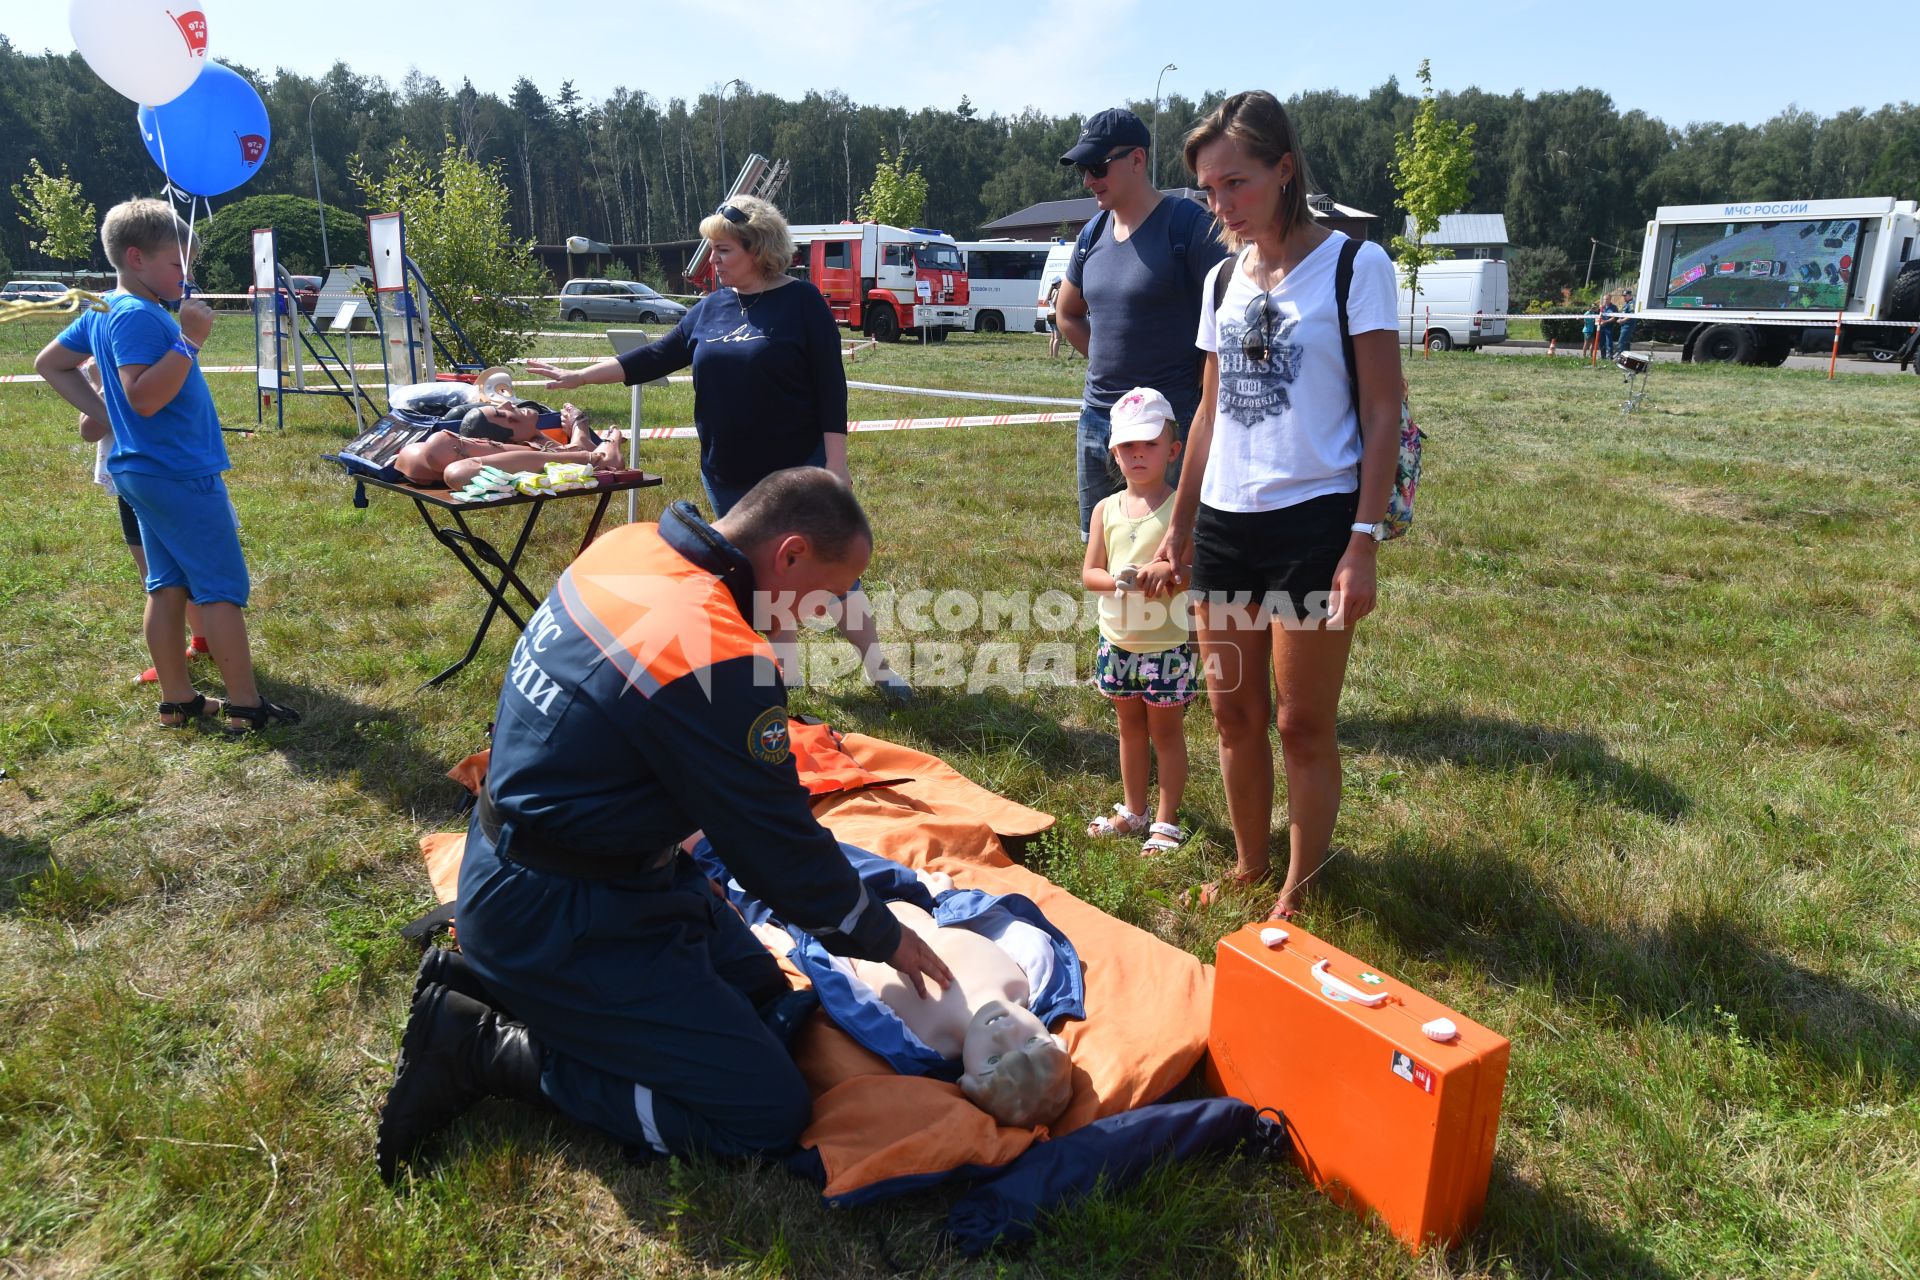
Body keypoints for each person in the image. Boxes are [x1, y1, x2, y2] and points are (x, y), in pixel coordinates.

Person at [375, 468, 954, 1183]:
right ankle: (484, 1046)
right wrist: (883, 933)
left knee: (772, 999)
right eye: (830, 596)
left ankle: (521, 985)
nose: (825, 616)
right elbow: (778, 851)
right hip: (560, 912)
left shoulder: (629, 544)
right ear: (792, 554)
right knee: (763, 1113)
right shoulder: (722, 657)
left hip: (539, 863)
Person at [1152, 91, 1402, 923]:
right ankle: (1253, 865)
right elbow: (1209, 411)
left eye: (1237, 183)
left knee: (1300, 722)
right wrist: (1177, 529)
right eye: (1209, 190)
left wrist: (1361, 541)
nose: (1221, 204)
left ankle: (1302, 885)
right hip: (1225, 524)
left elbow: (1381, 411)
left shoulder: (1353, 267)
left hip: (1315, 522)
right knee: (1232, 712)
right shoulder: (1221, 276)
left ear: (1284, 169)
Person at [525, 195, 911, 701]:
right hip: (726, 472)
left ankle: (881, 671)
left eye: (723, 250)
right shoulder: (710, 307)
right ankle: (785, 676)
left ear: (758, 249)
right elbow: (656, 356)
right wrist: (578, 376)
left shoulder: (802, 302)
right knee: (762, 580)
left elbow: (829, 386)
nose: (713, 262)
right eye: (712, 250)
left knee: (830, 575)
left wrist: (836, 464)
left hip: (795, 475)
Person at [34, 199, 298, 733]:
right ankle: (245, 705)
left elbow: (50, 364)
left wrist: (106, 414)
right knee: (220, 588)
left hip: (145, 470)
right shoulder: (135, 315)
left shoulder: (108, 308)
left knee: (166, 584)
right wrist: (190, 340)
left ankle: (178, 701)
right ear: (136, 258)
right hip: (176, 471)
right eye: (179, 265)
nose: (188, 276)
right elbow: (146, 398)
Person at [692, 837, 1080, 1129]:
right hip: (895, 888)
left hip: (828, 926)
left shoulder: (927, 1043)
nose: (1003, 1032)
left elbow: (853, 998)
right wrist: (943, 897)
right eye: (1030, 1042)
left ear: (967, 1081)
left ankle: (686, 834)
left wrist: (796, 951)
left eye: (994, 1061)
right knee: (804, 845)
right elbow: (997, 924)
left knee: (741, 869)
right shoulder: (1031, 978)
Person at [1053, 107, 1227, 539]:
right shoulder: (1091, 234)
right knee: (1104, 552)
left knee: (1172, 555)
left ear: (1137, 160)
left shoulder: (1188, 225)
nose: (1088, 181)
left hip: (1167, 424)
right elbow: (1067, 313)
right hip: (1099, 422)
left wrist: (1203, 385)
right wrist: (1111, 360)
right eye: (1082, 170)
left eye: (1096, 167)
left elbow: (1235, 313)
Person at [1080, 387, 1197, 856]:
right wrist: (1119, 582)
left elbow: (1191, 574)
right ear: (1113, 452)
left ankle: (1166, 821)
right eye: (1128, 446)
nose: (1138, 454)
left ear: (1173, 450)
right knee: (1128, 728)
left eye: (1149, 444)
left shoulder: (1179, 513)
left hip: (1164, 646)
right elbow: (1089, 574)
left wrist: (1168, 570)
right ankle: (1134, 810)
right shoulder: (1106, 509)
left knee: (1165, 735)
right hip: (1118, 641)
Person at [74, 354, 210, 683]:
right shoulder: (103, 365)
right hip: (130, 485)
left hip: (167, 478)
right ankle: (190, 647)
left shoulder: (162, 359)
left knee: (184, 572)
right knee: (154, 574)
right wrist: (102, 383)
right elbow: (89, 430)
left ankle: (203, 643)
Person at [393, 402, 626, 489]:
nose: (510, 406)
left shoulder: (531, 445)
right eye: (503, 415)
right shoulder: (450, 453)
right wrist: (589, 433)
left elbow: (573, 450)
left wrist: (579, 431)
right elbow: (602, 460)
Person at [1598, 293, 1621, 360]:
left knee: (1609, 343)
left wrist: (1605, 321)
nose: (1605, 300)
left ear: (1610, 299)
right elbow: (1598, 316)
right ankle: (1603, 357)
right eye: (1604, 299)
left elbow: (1614, 318)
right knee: (1601, 343)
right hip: (1601, 327)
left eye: (1607, 299)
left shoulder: (1614, 307)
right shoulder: (1601, 307)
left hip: (1609, 327)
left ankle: (1610, 357)